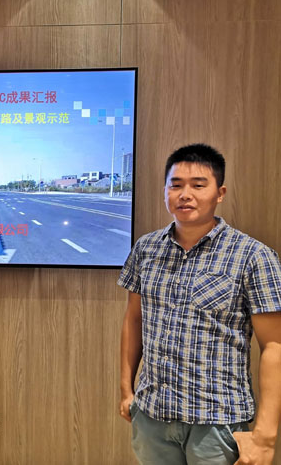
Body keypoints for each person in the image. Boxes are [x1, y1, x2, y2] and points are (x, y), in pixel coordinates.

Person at [118, 144, 281, 465]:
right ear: (165, 191)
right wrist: (126, 390)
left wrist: (265, 436)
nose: (185, 195)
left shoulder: (254, 256)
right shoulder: (146, 248)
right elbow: (134, 320)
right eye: (176, 185)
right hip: (152, 416)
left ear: (220, 193)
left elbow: (274, 346)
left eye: (198, 185)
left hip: (217, 423)